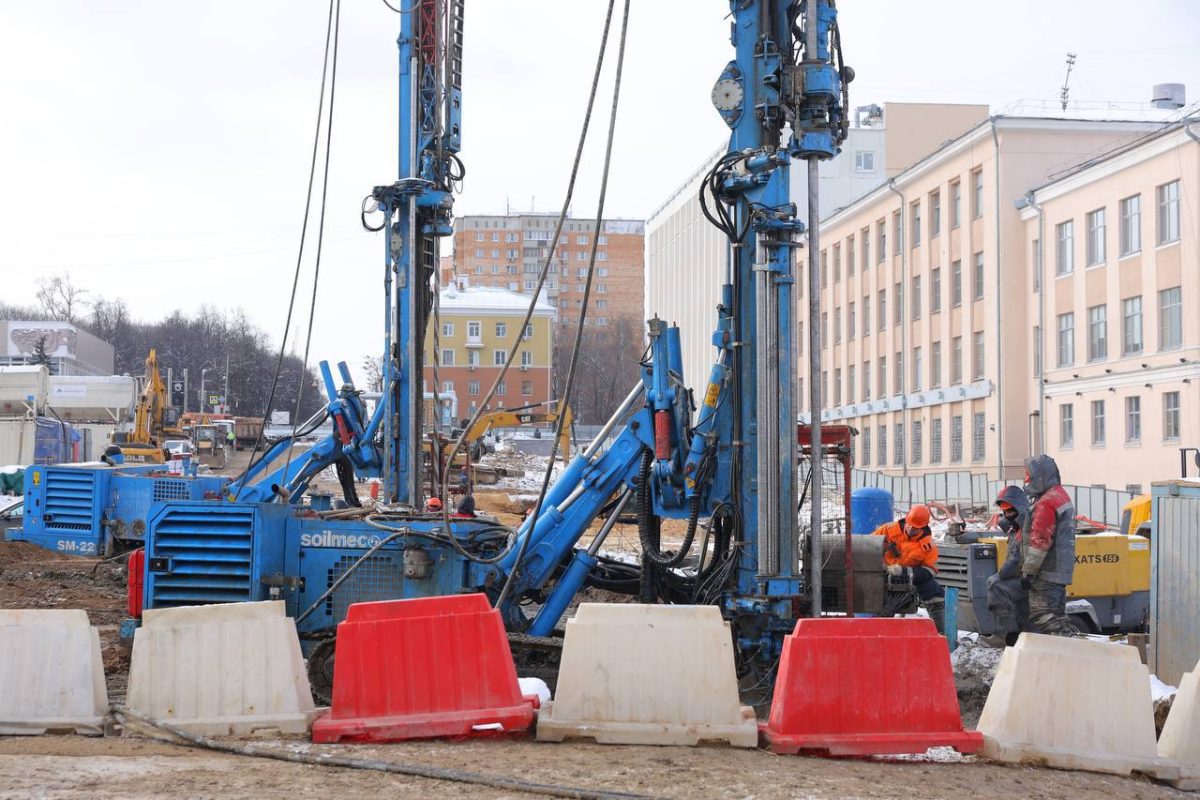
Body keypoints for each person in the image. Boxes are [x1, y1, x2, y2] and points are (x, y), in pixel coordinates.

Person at [1019, 454, 1078, 636]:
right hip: (1060, 570)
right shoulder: (1061, 496)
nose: (1026, 480)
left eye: (1029, 475)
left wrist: (1028, 572)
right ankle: (1067, 652)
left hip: (1047, 571)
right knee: (1057, 615)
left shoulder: (1046, 503)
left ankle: (1070, 645)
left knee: (1041, 613)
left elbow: (1040, 541)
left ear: (1040, 476)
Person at [872, 504, 946, 634]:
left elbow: (930, 571)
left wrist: (904, 572)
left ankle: (939, 632)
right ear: (906, 519)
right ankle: (877, 630)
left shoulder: (928, 546)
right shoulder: (888, 530)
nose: (911, 529)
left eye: (916, 528)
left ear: (923, 527)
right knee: (878, 599)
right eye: (909, 524)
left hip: (909, 577)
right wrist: (882, 549)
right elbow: (868, 545)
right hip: (882, 573)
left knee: (934, 591)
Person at [980, 485, 1032, 647]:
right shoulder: (1015, 528)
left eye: (1010, 511)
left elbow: (1016, 559)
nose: (1007, 515)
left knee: (998, 587)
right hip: (1022, 577)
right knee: (1023, 612)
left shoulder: (1025, 529)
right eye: (1005, 512)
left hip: (1029, 578)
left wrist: (999, 575)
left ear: (1020, 509)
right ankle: (1016, 637)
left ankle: (1002, 636)